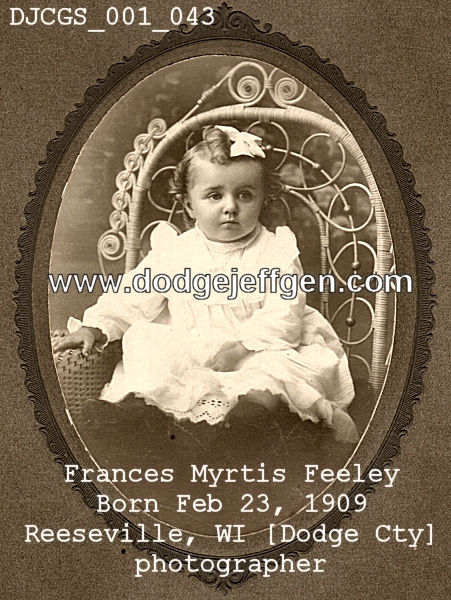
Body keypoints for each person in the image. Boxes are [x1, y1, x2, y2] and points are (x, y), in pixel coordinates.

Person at [52, 126, 358, 443]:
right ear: (188, 205)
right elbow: (132, 298)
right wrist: (96, 328)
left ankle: (249, 422)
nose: (230, 206)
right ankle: (140, 414)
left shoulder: (275, 252)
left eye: (245, 195)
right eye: (215, 195)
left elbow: (284, 316)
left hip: (257, 351)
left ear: (263, 201)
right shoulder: (175, 252)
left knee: (273, 373)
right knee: (145, 341)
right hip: (191, 352)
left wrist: (241, 349)